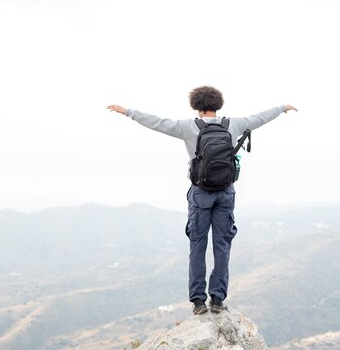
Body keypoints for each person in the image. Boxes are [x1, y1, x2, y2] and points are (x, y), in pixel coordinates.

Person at [108, 86, 297, 314]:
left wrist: (128, 112)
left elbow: (157, 122)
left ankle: (198, 301)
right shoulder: (233, 124)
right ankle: (217, 299)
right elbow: (259, 118)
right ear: (218, 105)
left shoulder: (187, 127)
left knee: (198, 245)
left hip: (200, 193)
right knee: (222, 245)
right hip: (226, 192)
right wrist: (281, 108)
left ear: (196, 106)